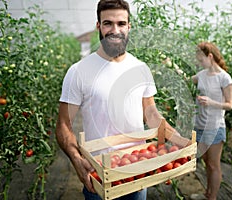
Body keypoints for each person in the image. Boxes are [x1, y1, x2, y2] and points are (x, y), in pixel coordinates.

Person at [55, 0, 181, 199]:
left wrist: (178, 142)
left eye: (121, 24)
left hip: (138, 170)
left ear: (129, 26)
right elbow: (63, 124)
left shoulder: (140, 68)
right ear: (98, 26)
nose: (115, 30)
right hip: (98, 175)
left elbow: (151, 114)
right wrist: (76, 159)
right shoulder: (79, 71)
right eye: (108, 23)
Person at [190, 42, 232, 200]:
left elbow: (229, 105)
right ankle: (207, 194)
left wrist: (211, 102)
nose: (200, 63)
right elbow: (186, 79)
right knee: (207, 162)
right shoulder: (202, 75)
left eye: (201, 60)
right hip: (200, 125)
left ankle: (212, 197)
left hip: (215, 127)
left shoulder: (224, 78)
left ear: (210, 56)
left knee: (214, 164)